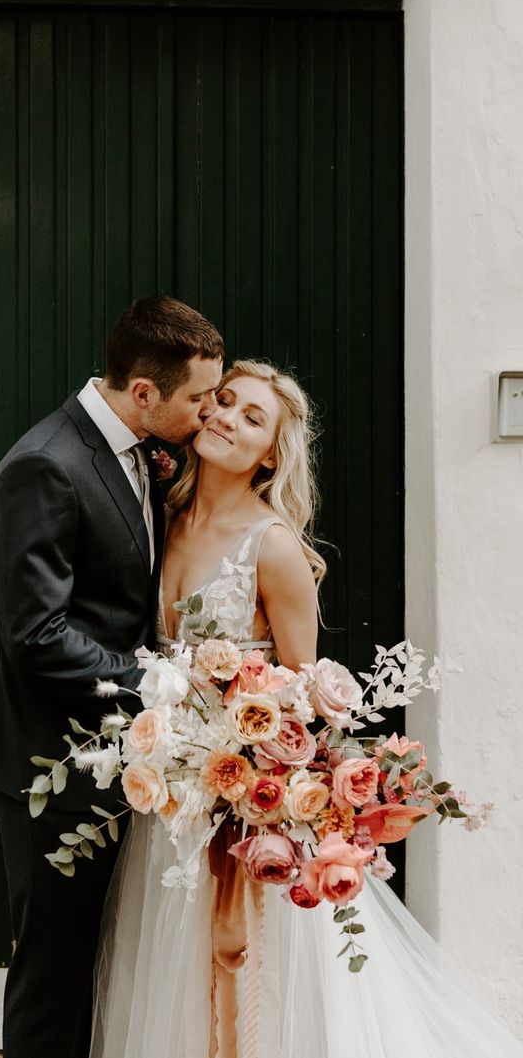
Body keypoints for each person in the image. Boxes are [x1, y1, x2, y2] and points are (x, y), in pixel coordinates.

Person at [91, 360, 523, 1058]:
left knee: (257, 980)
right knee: (171, 976)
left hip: (245, 811)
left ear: (270, 456)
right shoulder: (160, 514)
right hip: (170, 810)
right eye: (224, 401)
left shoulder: (274, 547)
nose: (228, 416)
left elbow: (302, 698)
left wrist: (247, 769)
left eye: (251, 417)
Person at [0, 295, 224, 1058]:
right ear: (144, 392)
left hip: (124, 758)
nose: (209, 411)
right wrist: (163, 684)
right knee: (56, 971)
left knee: (103, 965)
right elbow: (35, 635)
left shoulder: (145, 450)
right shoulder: (44, 464)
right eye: (199, 398)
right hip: (55, 761)